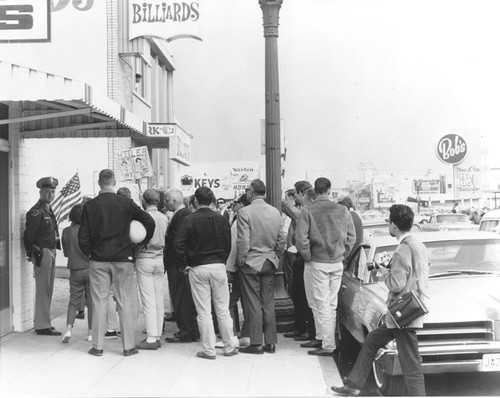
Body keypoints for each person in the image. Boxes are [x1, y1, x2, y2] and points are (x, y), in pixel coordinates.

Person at [330, 204, 429, 396]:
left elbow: (396, 284)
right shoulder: (419, 245)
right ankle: (353, 384)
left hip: (402, 314)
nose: (389, 227)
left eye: (389, 223)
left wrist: (383, 272)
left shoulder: (402, 249)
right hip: (410, 310)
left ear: (393, 225)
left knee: (410, 362)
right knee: (373, 340)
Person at [78, 169, 155, 357]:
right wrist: (140, 244)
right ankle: (128, 346)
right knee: (125, 302)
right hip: (123, 258)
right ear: (114, 182)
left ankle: (97, 346)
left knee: (99, 302)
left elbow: (83, 236)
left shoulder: (90, 206)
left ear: (99, 183)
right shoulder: (126, 203)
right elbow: (149, 221)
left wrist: (90, 252)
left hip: (98, 259)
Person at [174, 186, 238, 359]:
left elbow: (178, 244)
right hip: (218, 267)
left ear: (195, 201)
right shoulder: (222, 219)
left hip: (198, 268)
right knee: (222, 309)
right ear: (212, 201)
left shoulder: (189, 220)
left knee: (203, 311)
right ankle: (229, 345)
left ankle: (209, 349)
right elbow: (228, 244)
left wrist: (184, 264)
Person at [295, 177, 356, 356]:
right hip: (336, 262)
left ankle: (327, 344)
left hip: (317, 261)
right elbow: (351, 238)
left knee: (321, 304)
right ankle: (325, 340)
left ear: (315, 189)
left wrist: (308, 256)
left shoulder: (308, 210)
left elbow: (301, 239)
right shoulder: (343, 210)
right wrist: (342, 255)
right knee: (331, 304)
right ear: (329, 190)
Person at [236, 179, 285, 354]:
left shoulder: (244, 212)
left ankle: (256, 342)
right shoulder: (275, 212)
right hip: (270, 261)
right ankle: (270, 342)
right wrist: (275, 254)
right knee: (268, 302)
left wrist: (240, 260)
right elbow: (281, 240)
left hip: (251, 261)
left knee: (253, 303)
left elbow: (243, 241)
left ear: (250, 192)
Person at [24, 177, 62, 336]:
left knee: (48, 289)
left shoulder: (48, 209)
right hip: (43, 253)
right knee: (43, 289)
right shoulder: (36, 211)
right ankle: (41, 326)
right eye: (47, 191)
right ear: (40, 192)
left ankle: (44, 322)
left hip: (51, 251)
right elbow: (28, 235)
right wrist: (30, 253)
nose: (50, 194)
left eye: (52, 192)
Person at [281, 181, 316, 342]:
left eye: (295, 194)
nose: (294, 198)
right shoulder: (304, 210)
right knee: (298, 293)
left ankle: (307, 330)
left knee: (304, 296)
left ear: (302, 193)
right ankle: (301, 327)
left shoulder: (306, 211)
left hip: (303, 257)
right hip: (301, 257)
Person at [163, 188, 200, 343]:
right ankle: (190, 330)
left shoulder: (181, 216)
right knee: (185, 299)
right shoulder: (185, 215)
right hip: (181, 264)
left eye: (166, 200)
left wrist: (180, 263)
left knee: (181, 298)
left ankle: (186, 331)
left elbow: (178, 243)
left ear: (173, 200)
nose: (165, 203)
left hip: (177, 265)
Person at [135, 189, 168, 350]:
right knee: (158, 298)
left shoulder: (142, 218)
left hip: (145, 257)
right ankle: (157, 334)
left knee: (148, 299)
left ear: (143, 200)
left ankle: (151, 336)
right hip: (159, 258)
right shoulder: (164, 218)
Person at [61, 204, 92, 343]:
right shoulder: (89, 230)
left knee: (73, 301)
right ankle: (91, 332)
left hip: (74, 269)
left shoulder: (66, 232)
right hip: (90, 269)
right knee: (91, 302)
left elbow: (66, 253)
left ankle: (68, 329)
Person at [225, 193, 251, 339]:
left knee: (230, 302)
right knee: (249, 302)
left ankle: (231, 334)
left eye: (236, 203)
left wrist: (231, 267)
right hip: (255, 264)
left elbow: (236, 245)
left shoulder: (239, 220)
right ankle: (247, 333)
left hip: (239, 265)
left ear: (242, 204)